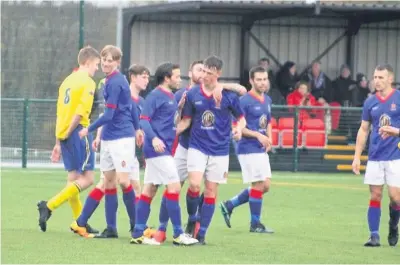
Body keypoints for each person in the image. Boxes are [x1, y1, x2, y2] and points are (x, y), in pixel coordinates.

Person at [154, 60, 247, 243]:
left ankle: (201, 232)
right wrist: (163, 135)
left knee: (211, 190)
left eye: (207, 71)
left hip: (217, 150)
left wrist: (238, 129)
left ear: (217, 73)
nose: (203, 74)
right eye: (201, 70)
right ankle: (165, 227)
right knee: (182, 186)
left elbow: (241, 105)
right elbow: (182, 121)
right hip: (188, 147)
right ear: (191, 73)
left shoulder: (226, 94)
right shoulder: (186, 93)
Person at [70, 64, 154, 239]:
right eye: (143, 76)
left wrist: (139, 131)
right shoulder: (119, 88)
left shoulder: (140, 101)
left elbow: (131, 117)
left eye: (148, 77)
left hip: (126, 145)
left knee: (127, 185)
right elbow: (106, 116)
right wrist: (99, 136)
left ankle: (129, 226)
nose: (147, 80)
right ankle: (133, 227)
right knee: (113, 183)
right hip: (117, 143)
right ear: (133, 77)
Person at [131, 62, 198, 246]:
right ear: (166, 78)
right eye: (176, 76)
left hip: (164, 149)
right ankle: (177, 233)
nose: (179, 79)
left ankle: (137, 232)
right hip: (157, 149)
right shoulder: (155, 96)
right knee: (174, 187)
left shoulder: (171, 97)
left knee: (149, 190)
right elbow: (143, 121)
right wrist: (153, 139)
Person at [37, 46, 100, 234]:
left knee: (73, 178)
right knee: (88, 178)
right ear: (88, 62)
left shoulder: (66, 81)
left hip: (64, 133)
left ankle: (80, 222)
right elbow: (81, 113)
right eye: (97, 64)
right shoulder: (88, 83)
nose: (97, 68)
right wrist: (74, 131)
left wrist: (58, 140)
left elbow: (60, 112)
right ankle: (48, 206)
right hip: (78, 132)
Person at [220, 66, 274, 233]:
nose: (262, 82)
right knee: (258, 184)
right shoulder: (244, 101)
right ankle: (255, 224)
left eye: (265, 79)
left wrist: (269, 139)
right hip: (247, 147)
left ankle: (229, 205)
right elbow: (237, 127)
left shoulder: (268, 100)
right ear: (251, 81)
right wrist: (258, 135)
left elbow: (268, 122)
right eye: (258, 79)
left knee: (265, 185)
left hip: (259, 147)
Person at [352, 64, 400, 247]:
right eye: (375, 77)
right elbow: (364, 130)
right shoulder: (370, 101)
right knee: (375, 195)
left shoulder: (398, 98)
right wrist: (357, 156)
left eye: (381, 77)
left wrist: (396, 131)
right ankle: (374, 235)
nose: (377, 81)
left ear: (390, 78)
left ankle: (393, 224)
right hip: (375, 156)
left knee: (396, 197)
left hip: (396, 156)